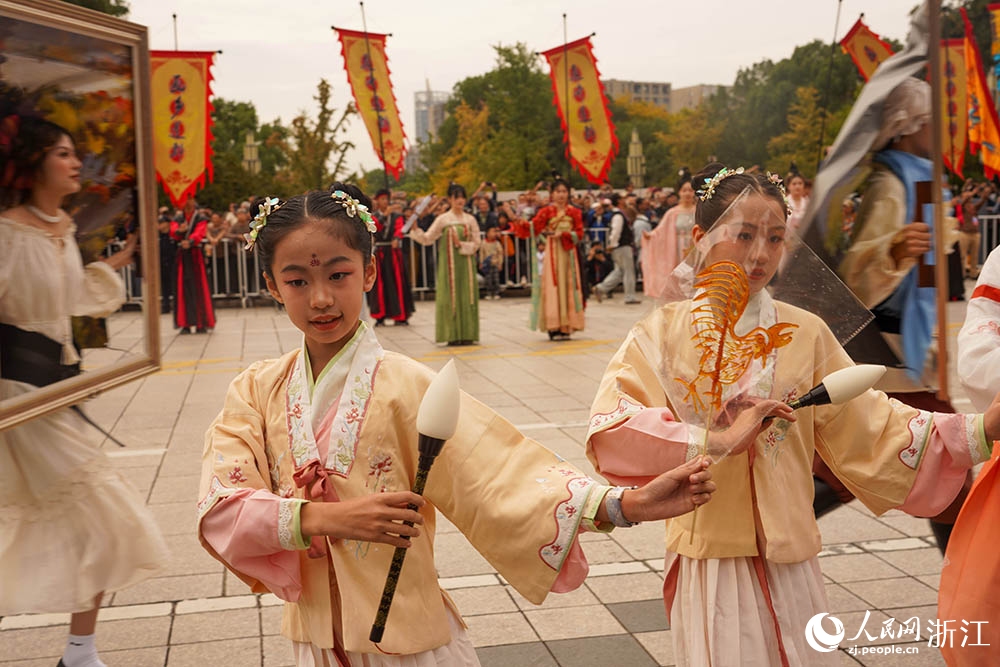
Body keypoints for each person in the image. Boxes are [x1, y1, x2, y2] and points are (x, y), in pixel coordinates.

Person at [196, 183, 719, 665]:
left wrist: (627, 505)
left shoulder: (408, 384)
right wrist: (326, 518)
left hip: (407, 641)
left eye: (338, 274)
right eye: (297, 280)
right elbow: (222, 505)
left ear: (370, 272)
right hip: (313, 641)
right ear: (271, 285)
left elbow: (497, 473)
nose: (321, 298)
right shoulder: (255, 389)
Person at [586, 163, 1000, 666]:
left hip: (792, 558)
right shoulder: (662, 334)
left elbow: (870, 423)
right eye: (743, 235)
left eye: (776, 238)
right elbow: (613, 424)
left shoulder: (805, 331)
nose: (760, 254)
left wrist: (977, 431)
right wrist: (712, 441)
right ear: (700, 237)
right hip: (713, 560)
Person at [0, 117, 168, 667]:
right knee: (101, 512)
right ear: (33, 164)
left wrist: (118, 264)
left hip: (55, 392)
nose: (75, 163)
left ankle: (80, 651)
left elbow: (70, 300)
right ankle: (81, 653)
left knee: (95, 519)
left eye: (74, 152)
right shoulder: (6, 231)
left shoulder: (62, 229)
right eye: (63, 153)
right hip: (16, 395)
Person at [837, 78, 965, 551]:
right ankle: (971, 581)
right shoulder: (891, 183)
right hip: (892, 353)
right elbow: (858, 271)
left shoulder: (920, 176)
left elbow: (933, 268)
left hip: (914, 353)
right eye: (931, 120)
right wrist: (892, 249)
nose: (939, 129)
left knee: (940, 469)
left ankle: (968, 577)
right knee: (948, 468)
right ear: (910, 125)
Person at [511, 178, 586, 340]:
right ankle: (554, 326)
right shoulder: (546, 211)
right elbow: (534, 227)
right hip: (552, 252)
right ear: (552, 194)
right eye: (558, 191)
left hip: (568, 255)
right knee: (553, 286)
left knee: (568, 285)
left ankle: (567, 325)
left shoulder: (574, 212)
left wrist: (565, 234)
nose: (561, 195)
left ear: (568, 193)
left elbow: (579, 233)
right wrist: (519, 222)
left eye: (564, 191)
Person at [409, 183, 481, 345]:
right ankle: (452, 334)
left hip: (466, 265)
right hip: (449, 268)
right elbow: (428, 239)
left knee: (467, 294)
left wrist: (461, 245)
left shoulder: (470, 219)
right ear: (449, 199)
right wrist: (415, 230)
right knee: (451, 296)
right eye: (456, 197)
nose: (460, 200)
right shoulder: (443, 219)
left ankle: (468, 333)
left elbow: (477, 243)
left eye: (462, 197)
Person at [642, 178, 697, 298]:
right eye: (684, 190)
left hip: (695, 247)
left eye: (690, 190)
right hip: (677, 248)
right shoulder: (672, 213)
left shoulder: (699, 211)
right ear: (679, 193)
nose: (687, 193)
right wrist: (650, 236)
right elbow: (660, 231)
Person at [368, 188, 414, 327]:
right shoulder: (373, 216)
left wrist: (396, 237)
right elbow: (375, 228)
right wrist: (383, 216)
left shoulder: (396, 216)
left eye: (387, 199)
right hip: (380, 252)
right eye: (382, 199)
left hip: (393, 253)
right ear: (377, 200)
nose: (385, 202)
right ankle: (380, 316)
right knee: (380, 284)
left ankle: (400, 315)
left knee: (397, 283)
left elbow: (400, 228)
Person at [171, 198, 215, 333]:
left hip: (196, 255)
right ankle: (185, 324)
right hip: (182, 257)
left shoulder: (200, 217)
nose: (187, 202)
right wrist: (179, 231)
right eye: (185, 199)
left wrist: (190, 241)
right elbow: (173, 232)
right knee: (182, 288)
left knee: (199, 287)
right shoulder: (178, 217)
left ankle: (201, 323)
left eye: (189, 199)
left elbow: (200, 232)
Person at [594, 193, 640, 304]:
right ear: (619, 201)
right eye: (623, 199)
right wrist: (612, 244)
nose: (625, 201)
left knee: (619, 271)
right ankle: (629, 296)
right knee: (628, 271)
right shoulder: (618, 215)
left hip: (619, 247)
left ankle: (601, 288)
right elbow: (616, 231)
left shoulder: (617, 214)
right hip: (622, 246)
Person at [157, 206, 176, 314]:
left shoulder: (173, 235)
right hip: (162, 263)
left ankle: (177, 304)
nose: (159, 225)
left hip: (172, 263)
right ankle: (165, 305)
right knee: (164, 286)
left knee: (174, 285)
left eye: (161, 223)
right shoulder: (158, 236)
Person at [479, 225, 503, 300]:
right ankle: (489, 293)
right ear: (487, 233)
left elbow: (500, 254)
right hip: (487, 264)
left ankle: (496, 292)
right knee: (488, 279)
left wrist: (500, 263)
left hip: (495, 263)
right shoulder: (483, 243)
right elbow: (481, 253)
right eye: (493, 231)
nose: (494, 233)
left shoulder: (497, 243)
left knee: (496, 279)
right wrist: (481, 262)